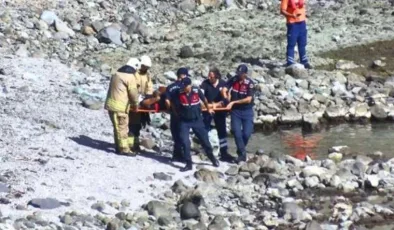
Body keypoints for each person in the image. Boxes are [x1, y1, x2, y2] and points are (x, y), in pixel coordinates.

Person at [175, 77, 219, 172]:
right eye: (182, 86)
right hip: (184, 121)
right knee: (185, 142)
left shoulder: (196, 90)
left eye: (185, 86)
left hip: (197, 120)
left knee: (205, 141)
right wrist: (177, 114)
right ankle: (188, 163)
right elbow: (174, 104)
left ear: (189, 85)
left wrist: (208, 109)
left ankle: (212, 158)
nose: (183, 87)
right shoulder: (179, 92)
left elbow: (205, 100)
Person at [104, 58, 140, 156]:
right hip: (120, 107)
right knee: (122, 128)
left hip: (111, 105)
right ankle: (124, 149)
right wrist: (135, 104)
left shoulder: (116, 74)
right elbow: (133, 93)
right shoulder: (130, 77)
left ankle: (118, 147)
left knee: (117, 127)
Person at [221, 64, 255, 164]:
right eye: (238, 73)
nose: (239, 75)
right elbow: (224, 89)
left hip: (247, 111)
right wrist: (226, 96)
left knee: (246, 133)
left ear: (245, 74)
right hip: (235, 111)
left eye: (241, 74)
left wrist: (233, 102)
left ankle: (240, 151)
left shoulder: (249, 83)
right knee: (236, 132)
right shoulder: (234, 80)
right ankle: (242, 155)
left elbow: (248, 99)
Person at [200, 67, 234, 163]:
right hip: (208, 109)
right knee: (204, 129)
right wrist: (209, 105)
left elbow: (226, 99)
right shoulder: (205, 84)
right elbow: (201, 96)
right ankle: (206, 150)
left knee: (222, 131)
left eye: (211, 77)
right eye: (209, 76)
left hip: (220, 110)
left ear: (216, 76)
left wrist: (218, 104)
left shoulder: (223, 84)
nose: (209, 78)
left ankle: (224, 152)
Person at [128, 55, 154, 152]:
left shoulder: (147, 75)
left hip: (142, 100)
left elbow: (149, 86)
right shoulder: (134, 73)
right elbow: (132, 87)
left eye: (147, 67)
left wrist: (149, 96)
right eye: (144, 66)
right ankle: (130, 145)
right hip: (134, 100)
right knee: (132, 125)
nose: (145, 68)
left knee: (138, 125)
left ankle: (135, 143)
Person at [165, 68, 189, 162]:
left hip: (174, 114)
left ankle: (176, 155)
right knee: (183, 135)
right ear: (184, 75)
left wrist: (170, 110)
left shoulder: (170, 86)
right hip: (184, 113)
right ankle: (182, 156)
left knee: (175, 134)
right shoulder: (185, 86)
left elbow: (167, 100)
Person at [280, 0, 312, 69]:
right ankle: (290, 62)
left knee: (302, 43)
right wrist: (291, 15)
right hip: (292, 23)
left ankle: (304, 61)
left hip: (302, 23)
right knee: (291, 44)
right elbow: (282, 11)